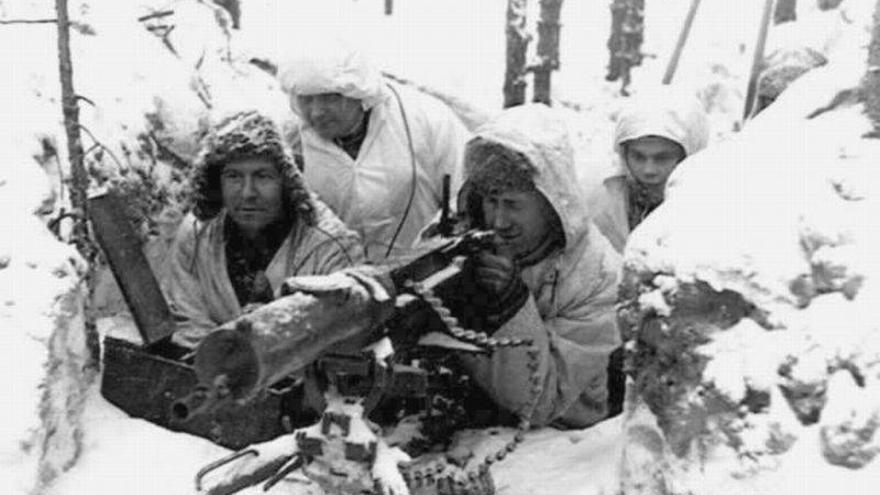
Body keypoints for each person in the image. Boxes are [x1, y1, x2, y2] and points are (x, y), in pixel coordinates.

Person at [445, 104, 622, 429]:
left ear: (551, 203)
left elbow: (545, 402)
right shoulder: (453, 241)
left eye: (513, 205)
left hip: (561, 440)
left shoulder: (596, 274)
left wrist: (511, 305)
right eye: (490, 202)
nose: (498, 221)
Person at [165, 110, 364, 349]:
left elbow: (344, 334)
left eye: (262, 176)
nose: (248, 193)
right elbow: (186, 319)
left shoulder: (329, 245)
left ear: (287, 182)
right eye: (234, 176)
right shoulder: (196, 233)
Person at [276, 41, 470, 263]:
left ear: (359, 93)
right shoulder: (290, 139)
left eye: (330, 97)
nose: (317, 112)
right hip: (336, 283)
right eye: (306, 99)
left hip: (425, 273)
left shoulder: (427, 119)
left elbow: (465, 195)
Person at [588, 91, 709, 253]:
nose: (648, 170)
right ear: (624, 155)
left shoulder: (708, 210)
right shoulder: (598, 199)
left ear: (687, 157)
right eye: (638, 157)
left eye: (662, 158)